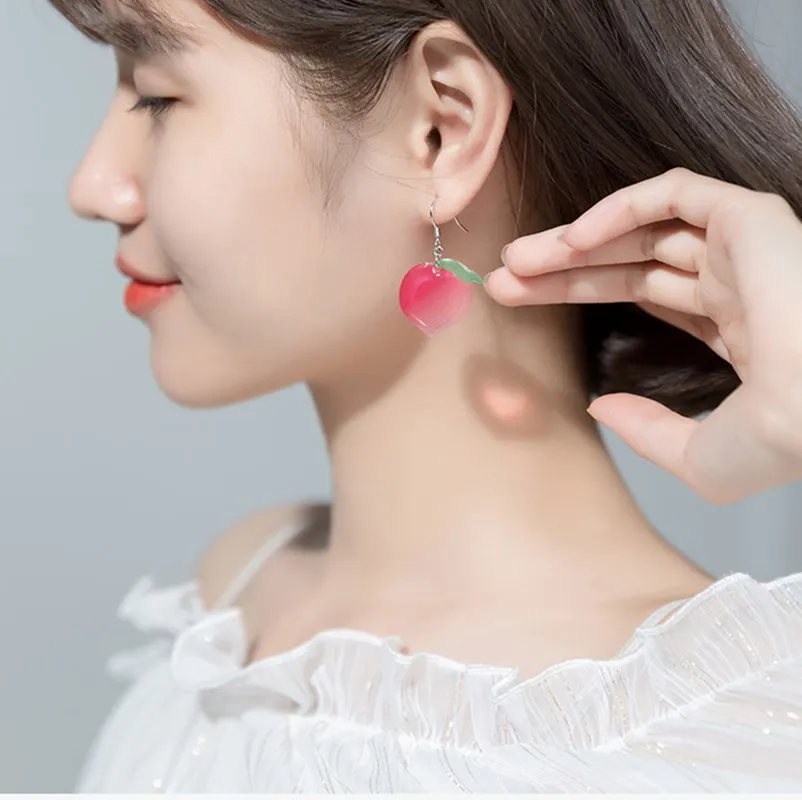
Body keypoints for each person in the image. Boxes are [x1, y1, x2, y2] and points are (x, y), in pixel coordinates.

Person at [46, 0, 802, 791]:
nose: (92, 186)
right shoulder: (233, 600)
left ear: (442, 129)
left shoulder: (729, 743)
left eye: (156, 97)